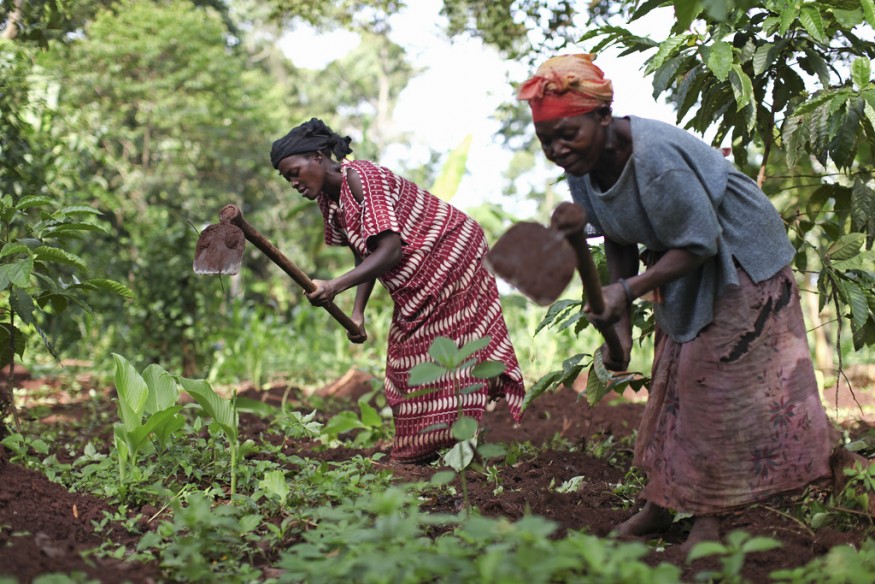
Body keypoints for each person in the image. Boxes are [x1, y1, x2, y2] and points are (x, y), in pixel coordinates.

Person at [518, 54, 837, 551]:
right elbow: (618, 238)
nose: (558, 150)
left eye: (568, 134)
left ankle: (711, 515)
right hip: (684, 260)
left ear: (603, 117)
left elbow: (701, 242)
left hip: (740, 256)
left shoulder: (655, 160)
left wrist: (624, 291)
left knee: (710, 383)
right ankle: (660, 505)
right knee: (673, 376)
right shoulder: (584, 168)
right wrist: (617, 322)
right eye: (546, 141)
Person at [269, 118, 526, 464]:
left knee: (440, 351)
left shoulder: (362, 177)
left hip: (451, 253)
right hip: (417, 278)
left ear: (317, 156)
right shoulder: (330, 202)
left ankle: (432, 449)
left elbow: (390, 250)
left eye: (295, 172)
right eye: (288, 179)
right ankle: (435, 446)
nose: (294, 183)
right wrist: (356, 312)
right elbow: (364, 250)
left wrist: (334, 286)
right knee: (407, 362)